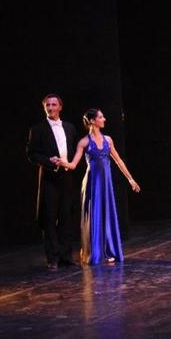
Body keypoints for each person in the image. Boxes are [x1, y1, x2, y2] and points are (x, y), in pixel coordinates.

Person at [59, 108, 140, 265]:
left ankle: (109, 250)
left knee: (107, 214)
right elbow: (73, 164)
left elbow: (118, 160)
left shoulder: (108, 140)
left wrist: (130, 179)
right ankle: (95, 253)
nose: (104, 119)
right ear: (92, 121)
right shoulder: (84, 142)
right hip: (92, 184)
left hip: (106, 184)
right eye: (101, 117)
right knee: (95, 216)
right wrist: (62, 162)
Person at [27, 94, 78, 271]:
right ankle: (53, 258)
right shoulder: (38, 129)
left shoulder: (69, 127)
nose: (50, 108)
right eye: (47, 105)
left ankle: (66, 256)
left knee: (66, 217)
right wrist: (49, 161)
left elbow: (74, 150)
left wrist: (70, 164)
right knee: (49, 218)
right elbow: (32, 154)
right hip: (49, 177)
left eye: (53, 104)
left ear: (60, 107)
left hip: (67, 177)